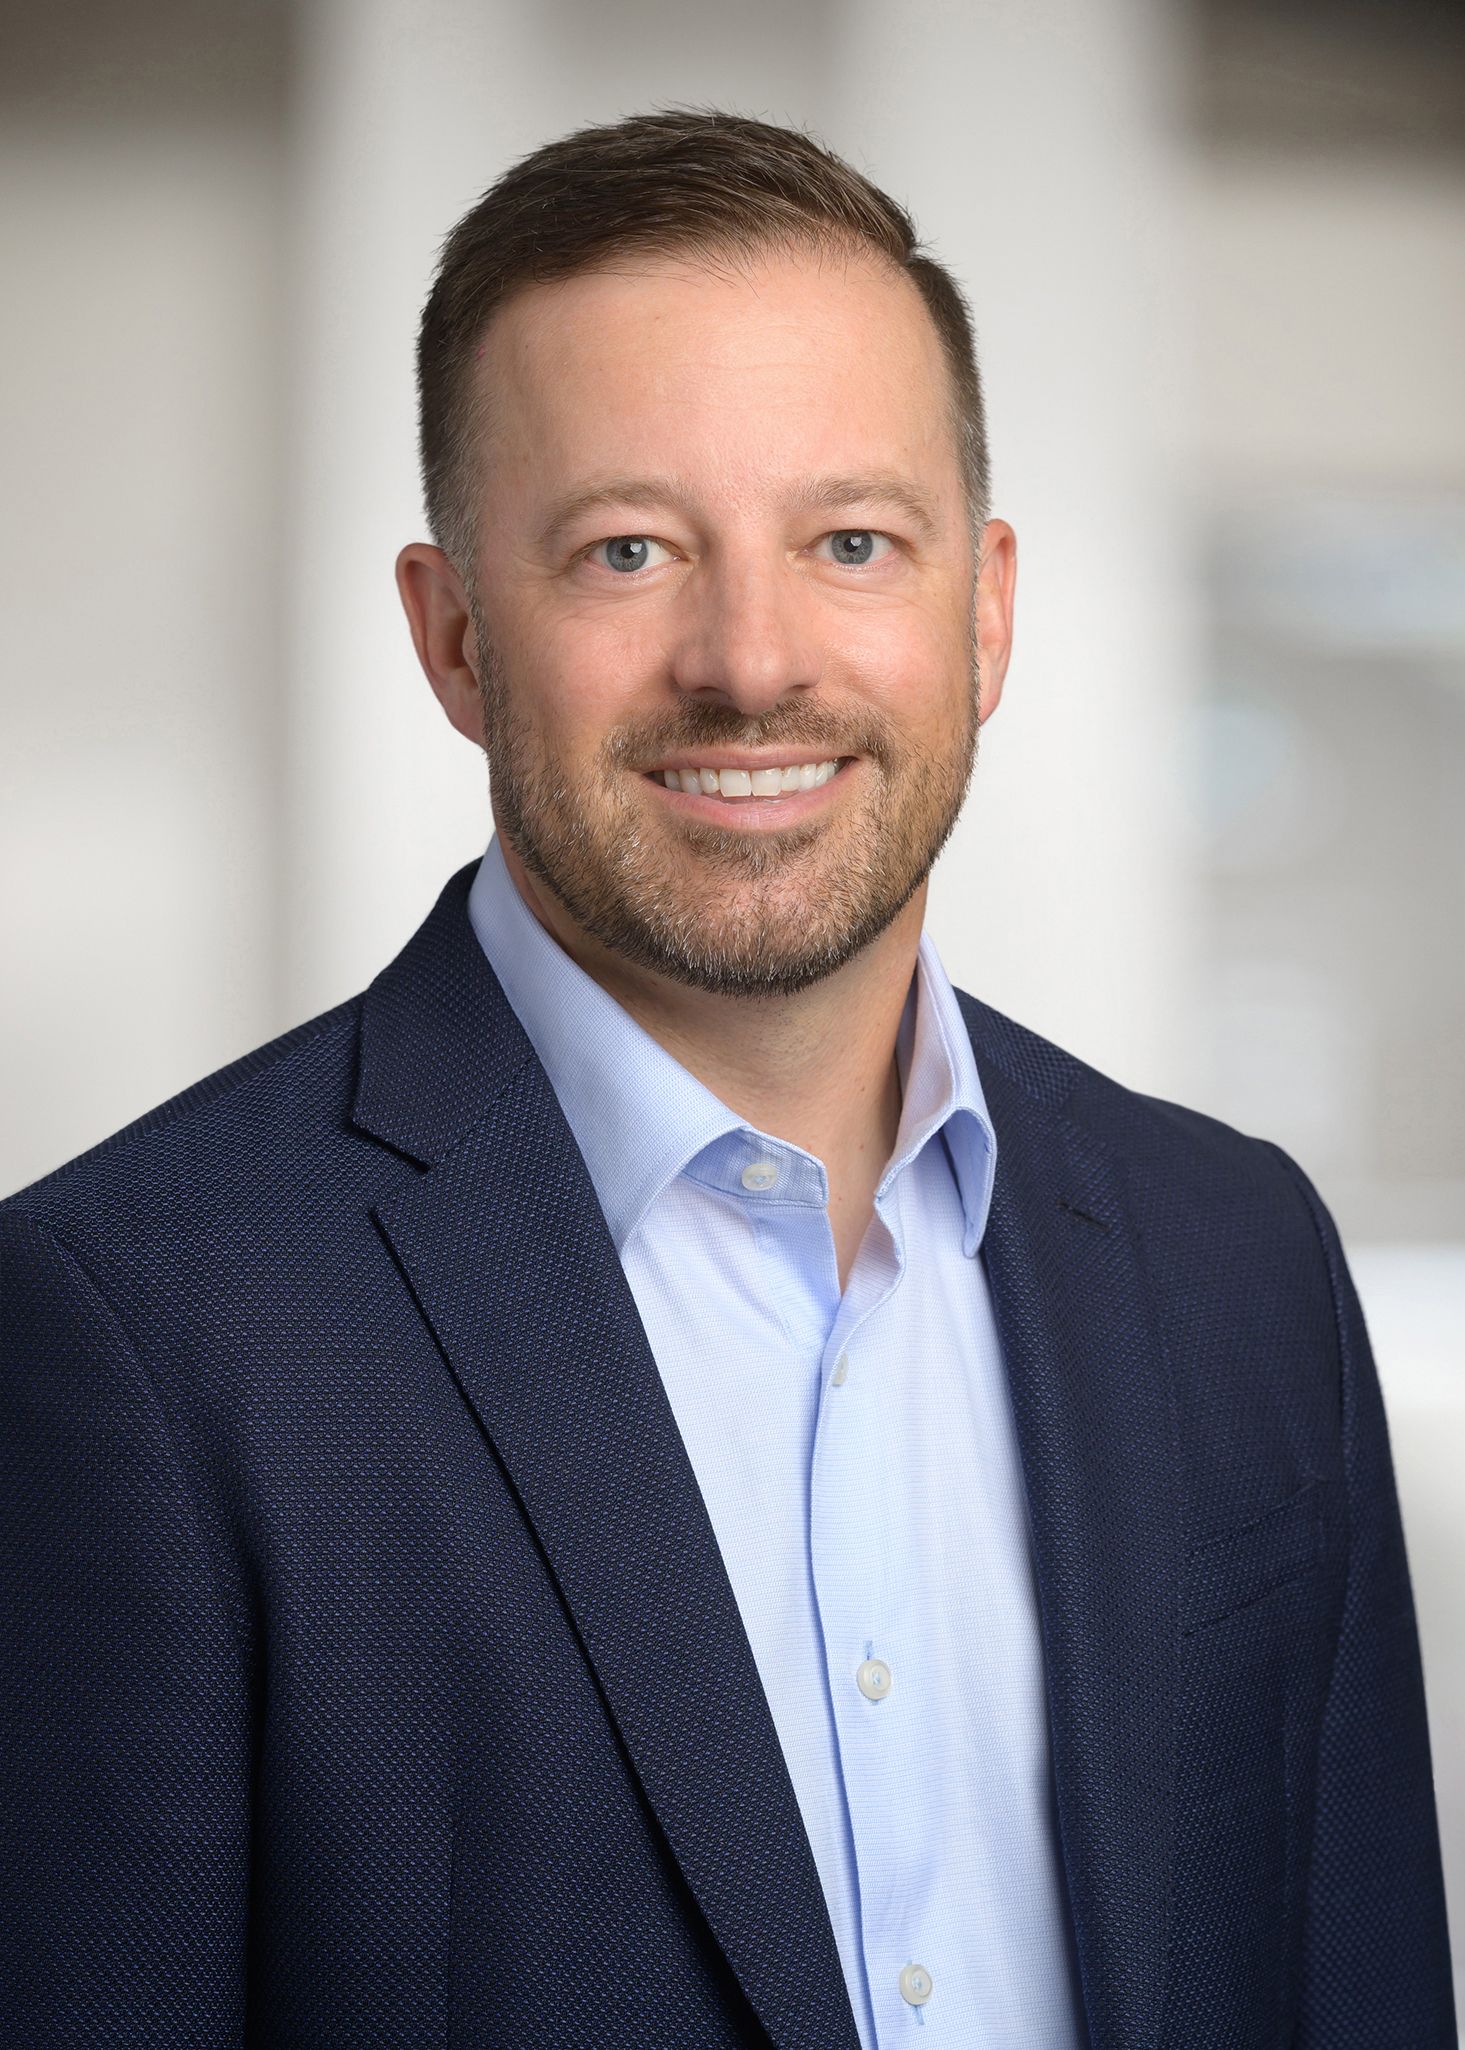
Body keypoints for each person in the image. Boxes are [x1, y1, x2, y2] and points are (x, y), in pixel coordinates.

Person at [0, 106, 1454, 2050]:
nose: (751, 658)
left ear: (987, 604)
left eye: (850, 540)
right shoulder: (138, 1332)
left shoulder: (1235, 1258)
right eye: (627, 548)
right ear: (450, 638)